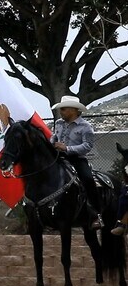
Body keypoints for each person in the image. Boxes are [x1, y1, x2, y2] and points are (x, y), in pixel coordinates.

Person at [50, 95, 103, 230]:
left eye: (63, 109)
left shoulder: (85, 127)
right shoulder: (59, 123)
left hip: (77, 159)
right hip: (58, 158)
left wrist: (67, 148)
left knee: (88, 179)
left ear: (73, 110)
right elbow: (54, 137)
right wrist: (51, 143)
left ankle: (96, 214)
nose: (61, 112)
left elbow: (87, 146)